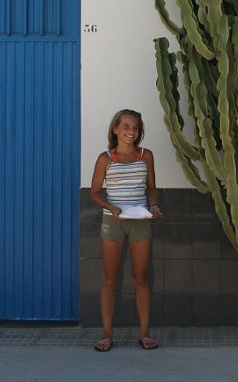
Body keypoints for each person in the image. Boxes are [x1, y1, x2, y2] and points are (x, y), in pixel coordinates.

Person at [90, 109, 163, 352]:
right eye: (126, 126)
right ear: (115, 129)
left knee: (141, 277)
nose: (131, 132)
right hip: (113, 222)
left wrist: (154, 204)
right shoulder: (105, 158)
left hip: (140, 221)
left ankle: (145, 334)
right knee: (109, 278)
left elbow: (151, 187)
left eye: (136, 128)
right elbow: (94, 193)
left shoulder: (145, 155)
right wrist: (111, 207)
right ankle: (107, 334)